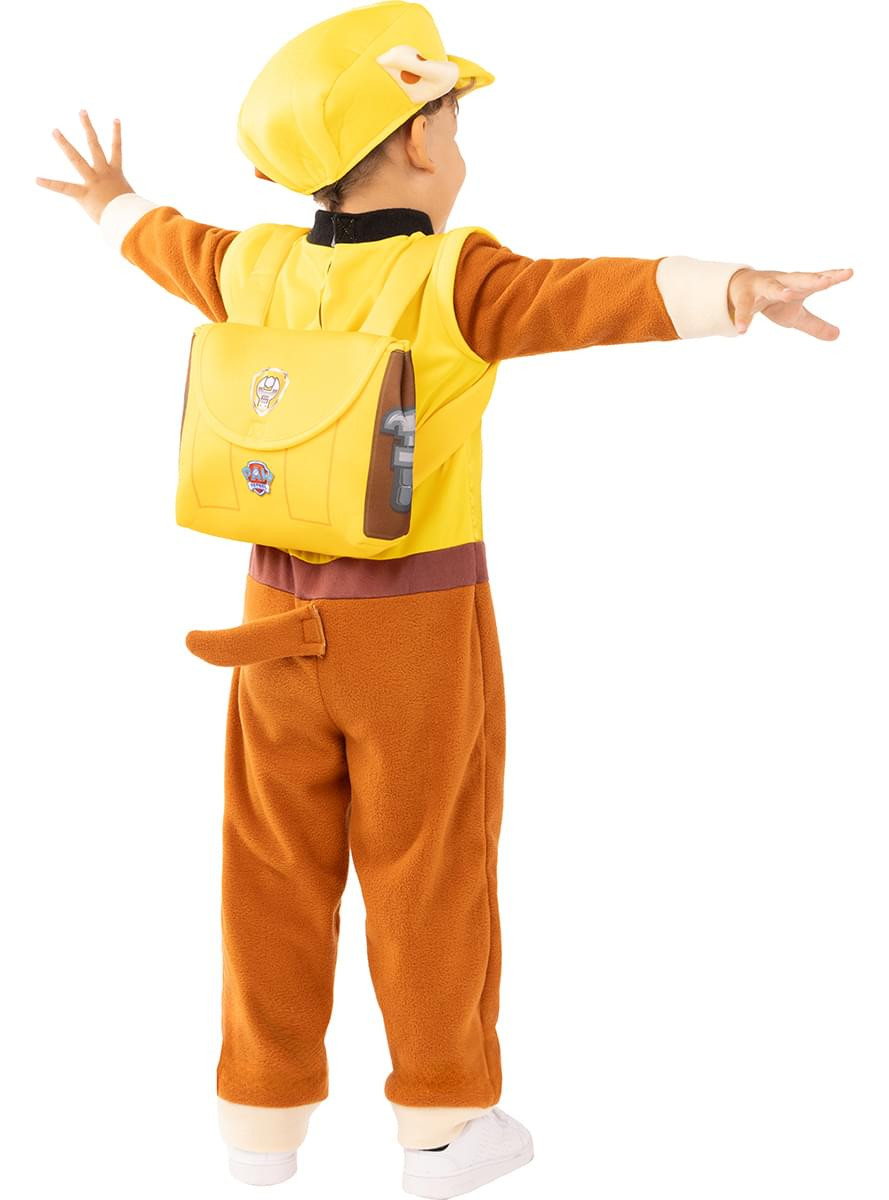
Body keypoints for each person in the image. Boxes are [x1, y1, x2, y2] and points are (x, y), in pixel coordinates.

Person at [35, 2, 852, 1195]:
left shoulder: (254, 267)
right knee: (428, 866)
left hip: (267, 628)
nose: (457, 147)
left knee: (267, 867)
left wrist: (112, 200)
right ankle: (442, 1121)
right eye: (455, 125)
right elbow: (583, 296)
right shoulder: (451, 277)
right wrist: (731, 287)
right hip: (411, 632)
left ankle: (258, 1124)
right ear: (419, 140)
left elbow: (172, 244)